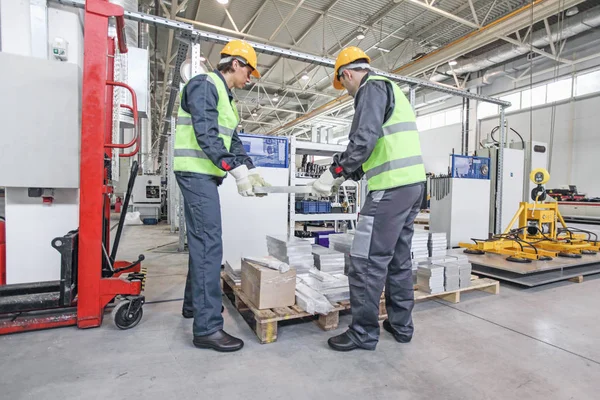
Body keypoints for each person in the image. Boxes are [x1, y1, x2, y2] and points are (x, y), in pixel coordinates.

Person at [312, 46, 426, 352]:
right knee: (399, 261)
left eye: (344, 85)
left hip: (389, 190)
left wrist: (334, 171)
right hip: (411, 187)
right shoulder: (392, 90)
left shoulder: (370, 89)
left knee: (365, 261)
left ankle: (363, 333)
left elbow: (362, 141)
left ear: (347, 74)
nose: (347, 92)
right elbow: (375, 148)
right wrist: (345, 176)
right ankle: (401, 325)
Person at [173, 39, 270, 352]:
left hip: (204, 174)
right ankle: (207, 327)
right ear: (237, 64)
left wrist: (250, 169)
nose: (250, 78)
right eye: (249, 71)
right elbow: (205, 133)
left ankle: (193, 306)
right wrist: (234, 170)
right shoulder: (204, 84)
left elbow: (233, 141)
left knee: (203, 241)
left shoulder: (226, 98)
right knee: (209, 245)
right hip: (195, 172)